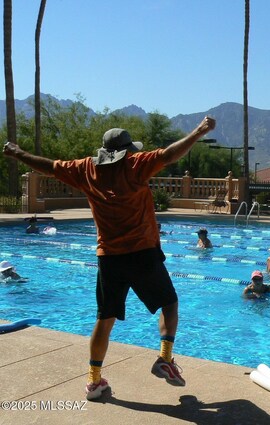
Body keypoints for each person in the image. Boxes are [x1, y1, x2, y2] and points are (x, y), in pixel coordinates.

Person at [3, 115, 216, 400]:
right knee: (169, 304)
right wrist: (199, 131)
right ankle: (165, 358)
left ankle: (94, 381)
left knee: (104, 319)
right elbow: (169, 154)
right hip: (143, 254)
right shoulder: (136, 165)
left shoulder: (86, 169)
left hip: (109, 258)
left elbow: (50, 167)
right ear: (128, 150)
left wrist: (18, 153)